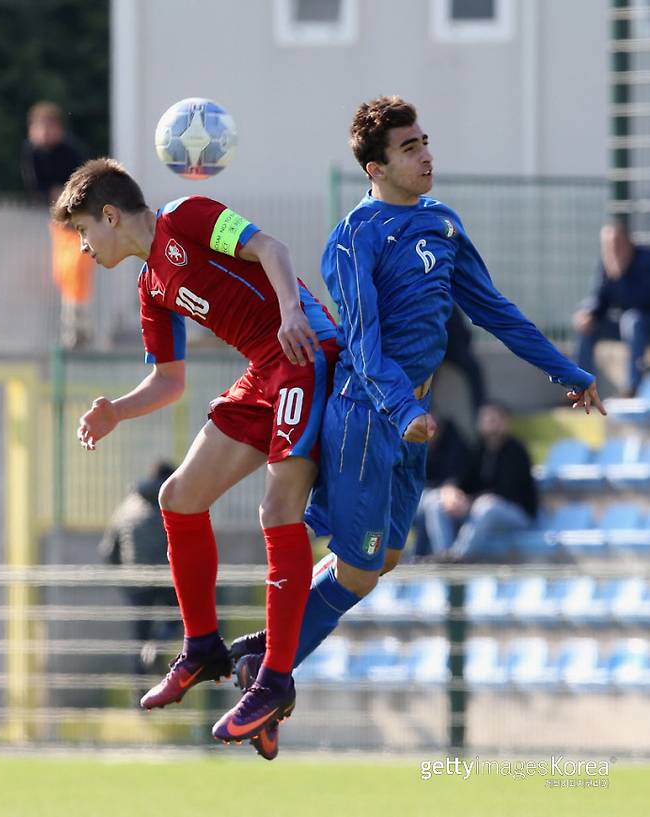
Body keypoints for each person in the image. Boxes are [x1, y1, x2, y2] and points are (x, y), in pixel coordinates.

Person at [230, 95, 605, 760]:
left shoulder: (443, 224)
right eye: (409, 147)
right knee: (358, 566)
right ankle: (270, 681)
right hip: (370, 417)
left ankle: (269, 647)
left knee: (383, 564)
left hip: (409, 422)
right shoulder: (354, 237)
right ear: (376, 167)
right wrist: (405, 411)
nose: (426, 153)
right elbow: (365, 344)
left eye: (425, 141)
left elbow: (497, 311)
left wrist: (567, 372)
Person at [51, 158, 339, 746]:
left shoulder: (187, 216)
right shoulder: (150, 285)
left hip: (304, 352)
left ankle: (275, 679)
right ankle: (203, 647)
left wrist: (290, 311)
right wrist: (116, 412)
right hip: (264, 371)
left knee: (277, 510)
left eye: (83, 230)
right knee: (177, 497)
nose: (83, 247)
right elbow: (169, 380)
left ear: (110, 216)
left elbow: (273, 250)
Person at [422, 402, 536, 562]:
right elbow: (465, 481)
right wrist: (454, 493)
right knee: (437, 502)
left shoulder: (516, 451)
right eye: (484, 419)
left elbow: (509, 492)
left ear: (505, 422)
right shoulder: (479, 450)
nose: (488, 424)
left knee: (486, 506)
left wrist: (471, 501)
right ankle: (444, 554)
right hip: (479, 508)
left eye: (493, 419)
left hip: (517, 514)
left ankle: (459, 557)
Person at [21, 101, 94, 349]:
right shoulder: (32, 152)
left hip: (78, 220)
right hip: (59, 222)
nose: (44, 134)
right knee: (63, 273)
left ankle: (78, 328)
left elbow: (84, 181)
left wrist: (68, 198)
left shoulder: (69, 151)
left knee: (77, 270)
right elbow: (37, 188)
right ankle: (72, 327)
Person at [98, 461, 180, 675]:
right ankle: (159, 642)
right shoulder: (176, 502)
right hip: (171, 578)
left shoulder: (127, 507)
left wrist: (125, 578)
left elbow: (108, 551)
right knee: (181, 618)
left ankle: (139, 696)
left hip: (137, 581)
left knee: (138, 639)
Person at [573, 220, 650, 397]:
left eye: (616, 243)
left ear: (628, 242)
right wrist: (588, 313)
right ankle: (582, 389)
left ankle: (633, 389)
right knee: (587, 326)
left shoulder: (645, 259)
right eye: (607, 245)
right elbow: (599, 299)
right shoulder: (607, 263)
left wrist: (621, 275)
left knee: (633, 320)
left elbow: (642, 301)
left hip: (643, 323)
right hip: (625, 326)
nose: (611, 249)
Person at [412, 416, 472, 559]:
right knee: (434, 501)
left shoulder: (453, 443)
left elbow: (461, 476)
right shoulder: (406, 444)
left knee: (436, 505)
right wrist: (443, 491)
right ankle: (443, 558)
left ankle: (445, 558)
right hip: (408, 501)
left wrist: (449, 489)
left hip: (448, 504)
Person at [442, 305, 486, 417]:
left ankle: (481, 413)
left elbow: (461, 331)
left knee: (473, 370)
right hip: (427, 349)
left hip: (452, 347)